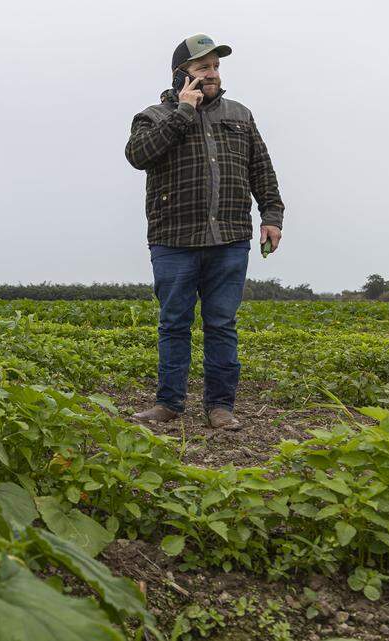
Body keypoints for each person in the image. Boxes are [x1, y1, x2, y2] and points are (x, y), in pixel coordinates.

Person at [124, 34, 285, 430]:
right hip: (173, 240)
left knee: (222, 325)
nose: (212, 74)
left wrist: (272, 215)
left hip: (229, 238)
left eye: (215, 67)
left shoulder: (240, 114)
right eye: (203, 68)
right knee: (174, 323)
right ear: (183, 74)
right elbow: (138, 155)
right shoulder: (153, 116)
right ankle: (169, 404)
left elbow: (261, 169)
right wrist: (183, 111)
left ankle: (219, 407)